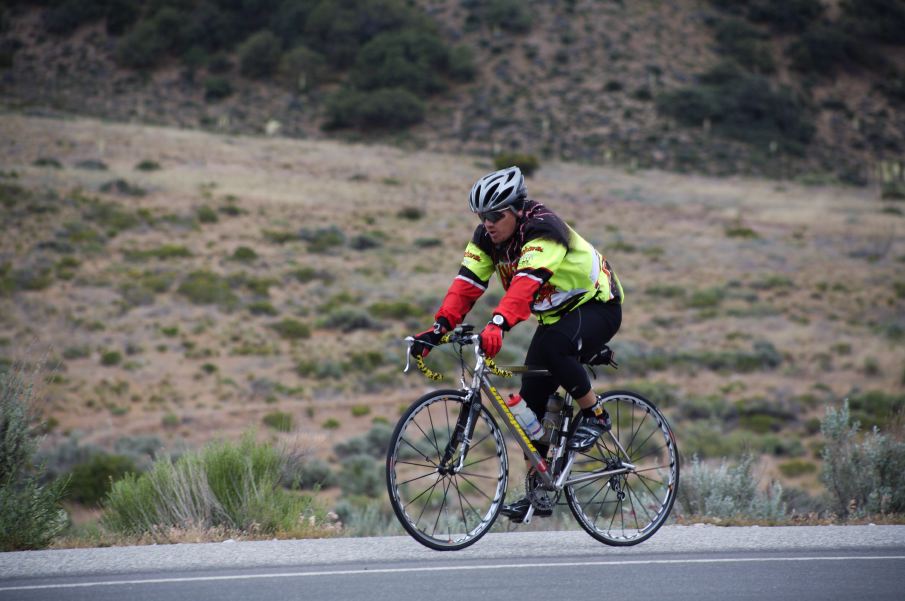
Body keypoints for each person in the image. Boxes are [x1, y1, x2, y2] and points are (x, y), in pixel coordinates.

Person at [410, 166, 624, 521]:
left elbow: (526, 283)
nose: (488, 223)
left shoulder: (544, 229)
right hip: (556, 316)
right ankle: (539, 489)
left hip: (597, 305)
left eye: (496, 215)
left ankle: (596, 415)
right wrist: (436, 330)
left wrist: (498, 324)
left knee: (556, 349)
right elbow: (466, 286)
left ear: (517, 209)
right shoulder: (486, 239)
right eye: (482, 216)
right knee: (528, 405)